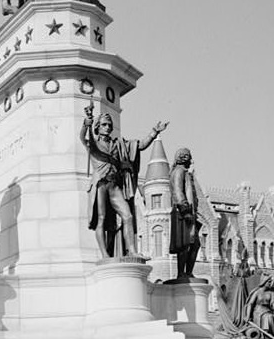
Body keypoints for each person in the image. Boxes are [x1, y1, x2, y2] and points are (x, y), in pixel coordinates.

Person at [80, 106, 168, 258]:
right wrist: (86, 124)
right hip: (100, 184)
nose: (107, 127)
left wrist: (154, 132)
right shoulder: (93, 144)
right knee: (101, 219)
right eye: (104, 125)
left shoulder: (118, 144)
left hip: (114, 186)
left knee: (127, 216)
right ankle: (105, 256)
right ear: (97, 127)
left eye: (109, 125)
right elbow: (83, 138)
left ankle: (132, 251)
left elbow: (139, 146)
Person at [169, 147, 201, 279]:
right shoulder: (179, 172)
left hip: (189, 214)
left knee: (194, 244)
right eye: (188, 157)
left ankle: (188, 273)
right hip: (182, 214)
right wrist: (185, 210)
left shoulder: (186, 173)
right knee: (185, 244)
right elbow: (178, 191)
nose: (191, 160)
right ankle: (181, 273)